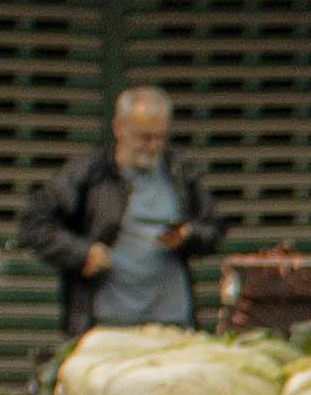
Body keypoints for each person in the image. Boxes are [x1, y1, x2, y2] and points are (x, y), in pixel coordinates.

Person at [18, 85, 228, 334]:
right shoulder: (89, 172)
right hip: (107, 321)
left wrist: (187, 235)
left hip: (172, 319)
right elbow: (33, 224)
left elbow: (214, 227)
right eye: (143, 137)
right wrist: (82, 253)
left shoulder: (181, 171)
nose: (152, 146)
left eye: (159, 137)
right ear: (119, 128)